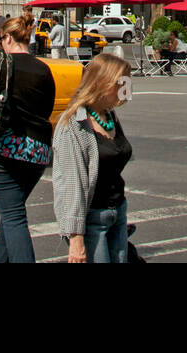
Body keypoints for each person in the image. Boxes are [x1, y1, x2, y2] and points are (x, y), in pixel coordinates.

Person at [0, 17, 55, 263]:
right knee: (12, 211)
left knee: (14, 216)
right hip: (38, 152)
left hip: (3, 148)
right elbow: (46, 110)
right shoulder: (43, 69)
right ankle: (0, 258)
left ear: (7, 38)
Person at [53, 53, 134, 263]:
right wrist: (76, 239)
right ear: (101, 83)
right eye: (120, 82)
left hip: (117, 211)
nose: (126, 87)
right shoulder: (73, 124)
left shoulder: (109, 116)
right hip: (91, 219)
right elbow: (73, 185)